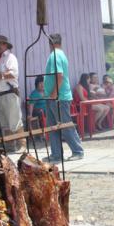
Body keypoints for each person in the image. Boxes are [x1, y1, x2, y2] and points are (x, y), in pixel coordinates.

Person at [43, 33, 85, 162]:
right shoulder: (59, 54)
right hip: (53, 97)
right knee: (53, 127)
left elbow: (59, 75)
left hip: (58, 97)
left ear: (50, 42)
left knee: (65, 125)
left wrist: (55, 92)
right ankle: (56, 154)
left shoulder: (55, 55)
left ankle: (77, 151)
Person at [0, 34, 26, 152]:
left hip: (9, 92)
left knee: (15, 120)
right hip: (0, 94)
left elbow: (13, 73)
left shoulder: (10, 57)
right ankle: (11, 145)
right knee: (5, 122)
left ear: (5, 45)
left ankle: (22, 145)